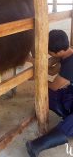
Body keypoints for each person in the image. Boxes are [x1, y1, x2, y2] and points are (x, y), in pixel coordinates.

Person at [26, 29, 73, 157]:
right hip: (70, 93)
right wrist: (31, 60)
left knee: (49, 90)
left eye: (49, 52)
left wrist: (38, 79)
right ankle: (68, 116)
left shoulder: (70, 64)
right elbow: (52, 72)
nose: (49, 54)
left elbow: (54, 86)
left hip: (69, 93)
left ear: (58, 52)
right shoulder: (68, 55)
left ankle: (37, 145)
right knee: (48, 94)